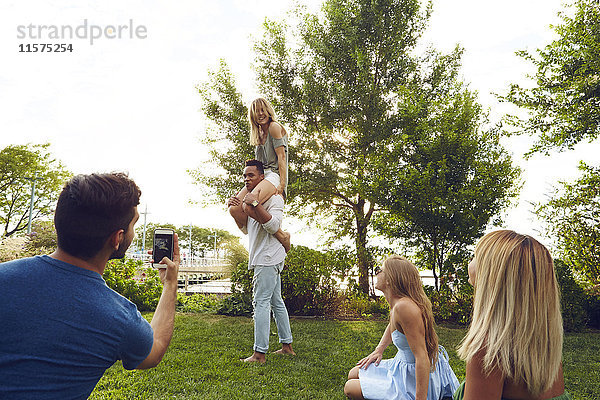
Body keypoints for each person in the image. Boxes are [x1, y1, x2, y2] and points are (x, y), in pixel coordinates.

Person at [0, 173, 180, 399]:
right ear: (117, 238)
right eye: (134, 224)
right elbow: (155, 349)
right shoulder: (118, 317)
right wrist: (170, 284)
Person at [453, 230, 572, 400]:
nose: (469, 263)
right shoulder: (543, 343)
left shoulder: (489, 349)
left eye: (475, 255)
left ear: (494, 273)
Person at [344, 255, 459, 400]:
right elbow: (393, 325)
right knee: (353, 373)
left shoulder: (404, 307)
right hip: (401, 365)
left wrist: (420, 398)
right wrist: (379, 350)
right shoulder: (398, 304)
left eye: (380, 270)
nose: (376, 273)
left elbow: (422, 356)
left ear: (390, 279)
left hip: (412, 376)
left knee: (350, 388)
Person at [227, 159, 294, 363]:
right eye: (245, 176)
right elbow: (247, 228)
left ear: (262, 178)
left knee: (261, 302)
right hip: (262, 255)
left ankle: (259, 353)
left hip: (269, 257)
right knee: (276, 301)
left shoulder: (275, 198)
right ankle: (287, 346)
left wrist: (254, 205)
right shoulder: (252, 201)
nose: (247, 179)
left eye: (251, 175)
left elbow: (274, 225)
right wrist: (237, 211)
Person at [228, 97, 291, 252]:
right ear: (253, 116)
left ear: (268, 111)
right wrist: (244, 187)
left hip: (275, 175)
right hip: (262, 176)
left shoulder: (274, 127)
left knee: (249, 204)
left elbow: (282, 158)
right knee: (234, 208)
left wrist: (282, 185)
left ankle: (281, 235)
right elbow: (257, 167)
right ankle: (260, 229)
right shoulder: (257, 134)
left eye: (263, 110)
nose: (260, 114)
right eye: (257, 112)